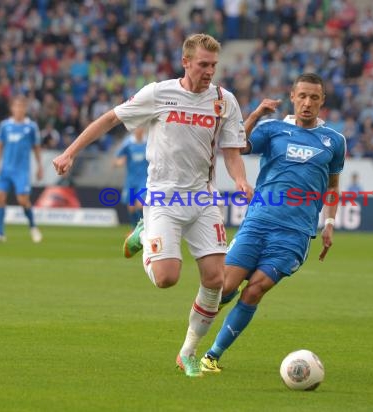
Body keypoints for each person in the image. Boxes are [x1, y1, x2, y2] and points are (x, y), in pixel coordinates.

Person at [52, 34, 252, 378]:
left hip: (203, 198)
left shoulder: (224, 101)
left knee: (216, 279)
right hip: (163, 195)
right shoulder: (159, 93)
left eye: (213, 66)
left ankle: (188, 353)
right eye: (203, 64)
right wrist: (71, 151)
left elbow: (231, 152)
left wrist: (240, 180)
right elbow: (110, 119)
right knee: (166, 278)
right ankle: (144, 235)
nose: (209, 72)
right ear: (185, 62)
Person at [200, 73, 346, 372]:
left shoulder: (334, 141)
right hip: (258, 222)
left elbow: (332, 186)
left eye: (314, 97)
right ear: (293, 97)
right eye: (302, 96)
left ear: (322, 101)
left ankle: (212, 356)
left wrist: (329, 222)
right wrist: (255, 114)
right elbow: (236, 146)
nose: (307, 103)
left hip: (295, 233)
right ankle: (191, 341)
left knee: (254, 290)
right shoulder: (273, 129)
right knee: (225, 287)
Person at [0, 95, 44, 243]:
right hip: (6, 169)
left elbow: (36, 148)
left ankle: (33, 227)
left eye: (21, 106)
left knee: (23, 200)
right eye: (16, 106)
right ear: (12, 108)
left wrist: (39, 166)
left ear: (25, 109)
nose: (18, 109)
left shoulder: (31, 127)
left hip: (21, 170)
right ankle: (0, 233)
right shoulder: (5, 125)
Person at [113, 127, 149, 229]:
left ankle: (144, 229)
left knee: (140, 205)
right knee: (132, 208)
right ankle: (134, 229)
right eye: (137, 128)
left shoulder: (148, 143)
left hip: (144, 179)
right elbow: (117, 159)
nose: (139, 130)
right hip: (131, 180)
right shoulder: (128, 143)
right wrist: (119, 162)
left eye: (141, 128)